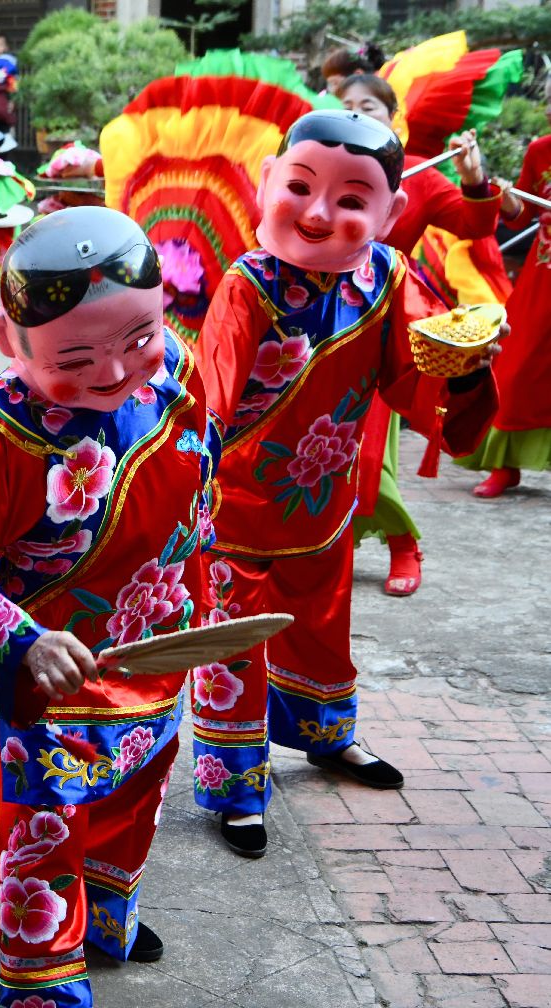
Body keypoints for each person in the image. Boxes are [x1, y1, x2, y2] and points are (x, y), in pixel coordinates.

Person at [0, 206, 215, 1007]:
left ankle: (107, 917)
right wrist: (16, 640)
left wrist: (199, 587)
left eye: (139, 337)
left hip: (152, 639)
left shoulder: (176, 369)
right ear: (9, 340)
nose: (114, 372)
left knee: (137, 789)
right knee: (45, 822)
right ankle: (44, 978)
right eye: (75, 358)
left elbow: (200, 470)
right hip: (51, 667)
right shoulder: (1, 426)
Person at [194, 110, 499, 857]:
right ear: (268, 182)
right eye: (300, 187)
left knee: (325, 629)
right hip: (236, 505)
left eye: (353, 199)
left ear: (392, 212)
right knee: (234, 647)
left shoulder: (387, 276)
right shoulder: (248, 285)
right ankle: (237, 785)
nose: (320, 211)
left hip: (324, 498)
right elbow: (212, 392)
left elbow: (410, 377)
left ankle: (328, 736)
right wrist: (186, 476)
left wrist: (464, 373)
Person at [337, 73, 506, 595]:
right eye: (346, 105)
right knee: (319, 449)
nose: (356, 112)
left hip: (385, 329)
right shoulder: (321, 168)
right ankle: (327, 546)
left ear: (394, 117)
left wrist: (474, 180)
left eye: (369, 105)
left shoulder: (419, 176)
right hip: (316, 327)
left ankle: (403, 544)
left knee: (369, 454)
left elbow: (475, 226)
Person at [456, 78, 551, 498]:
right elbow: (519, 215)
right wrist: (508, 197)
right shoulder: (541, 150)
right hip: (543, 278)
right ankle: (505, 464)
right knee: (517, 365)